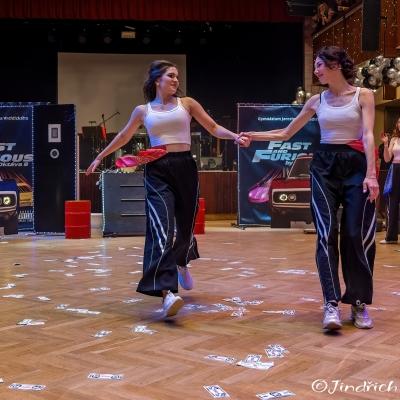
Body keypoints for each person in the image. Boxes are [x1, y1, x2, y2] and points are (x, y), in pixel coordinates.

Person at [86, 60, 249, 318]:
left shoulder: (188, 104)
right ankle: (167, 293)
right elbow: (123, 136)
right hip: (157, 170)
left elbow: (213, 127)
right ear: (156, 80)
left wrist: (235, 136)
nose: (176, 80)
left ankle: (182, 260)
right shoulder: (143, 110)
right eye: (170, 76)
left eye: (177, 76)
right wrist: (99, 156)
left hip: (185, 167)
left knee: (185, 228)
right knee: (162, 229)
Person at [240, 46, 379, 331]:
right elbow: (285, 133)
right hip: (324, 166)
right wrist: (252, 135)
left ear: (336, 64)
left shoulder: (364, 95)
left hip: (355, 165)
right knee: (325, 234)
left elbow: (367, 135)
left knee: (355, 234)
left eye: (319, 65)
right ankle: (330, 303)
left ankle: (358, 302)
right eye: (315, 65)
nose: (316, 70)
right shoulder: (316, 101)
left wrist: (371, 174)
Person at [380, 119, 400, 244]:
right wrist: (386, 144)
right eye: (399, 122)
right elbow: (387, 159)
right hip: (395, 170)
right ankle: (391, 237)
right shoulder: (394, 139)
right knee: (392, 203)